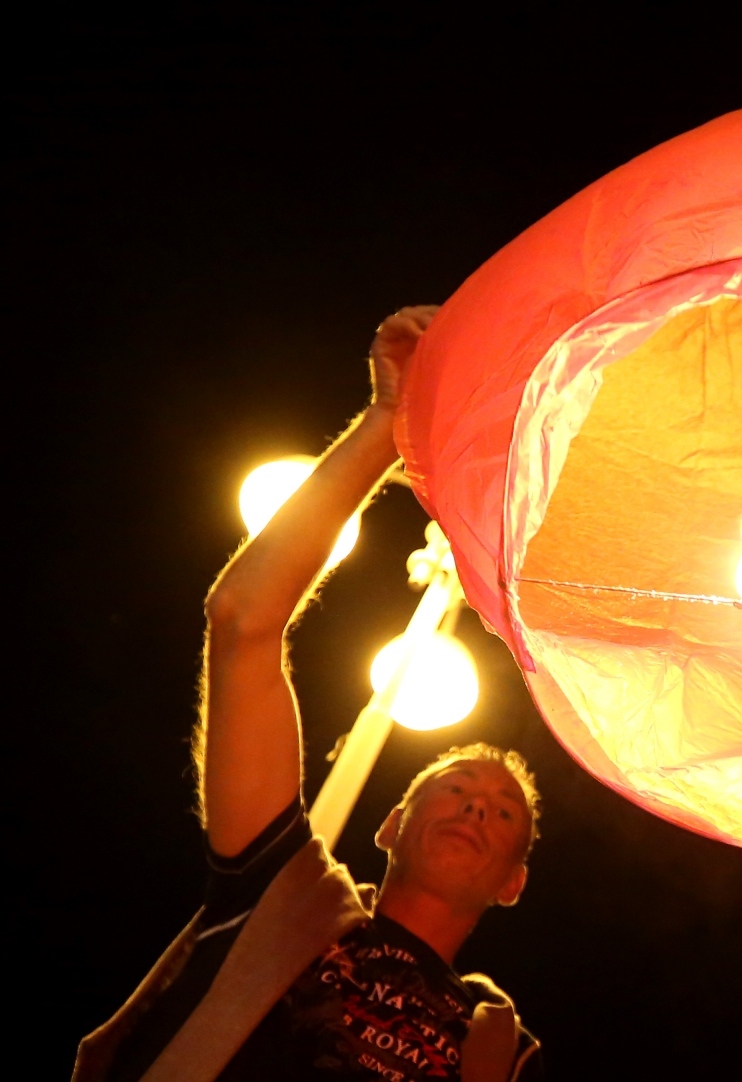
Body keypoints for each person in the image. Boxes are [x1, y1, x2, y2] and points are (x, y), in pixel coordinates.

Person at [75, 307, 545, 1082]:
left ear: (513, 881)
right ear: (391, 825)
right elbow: (242, 620)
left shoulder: (502, 1051)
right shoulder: (279, 900)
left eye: (502, 814)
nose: (473, 808)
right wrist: (387, 423)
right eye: (455, 788)